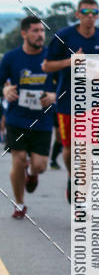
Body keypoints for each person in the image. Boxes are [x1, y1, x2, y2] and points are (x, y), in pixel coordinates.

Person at [42, 0, 99, 202]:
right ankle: (71, 175)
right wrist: (70, 61)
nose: (90, 16)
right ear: (77, 15)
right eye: (85, 12)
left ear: (98, 15)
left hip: (93, 101)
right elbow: (47, 66)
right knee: (69, 148)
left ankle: (81, 190)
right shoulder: (63, 36)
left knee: (89, 149)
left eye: (94, 13)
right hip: (67, 101)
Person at [0, 16, 56, 218]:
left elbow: (66, 86)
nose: (40, 35)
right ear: (24, 33)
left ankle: (31, 174)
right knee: (19, 159)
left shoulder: (52, 59)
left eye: (42, 31)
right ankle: (19, 203)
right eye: (35, 31)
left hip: (43, 120)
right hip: (17, 118)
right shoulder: (11, 58)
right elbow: (1, 84)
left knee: (40, 166)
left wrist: (54, 95)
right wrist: (5, 90)